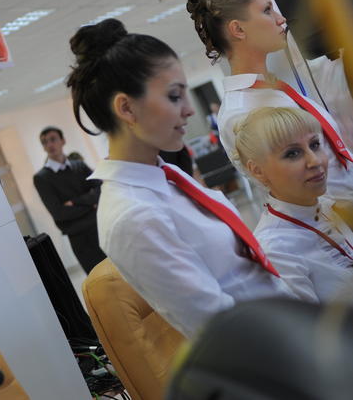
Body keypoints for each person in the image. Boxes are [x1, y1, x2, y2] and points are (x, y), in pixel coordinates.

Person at [67, 18, 292, 338]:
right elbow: (220, 329)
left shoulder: (166, 176)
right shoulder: (133, 217)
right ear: (127, 109)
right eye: (174, 96)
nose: (189, 110)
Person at [185, 0, 353, 204]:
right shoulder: (242, 113)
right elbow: (295, 191)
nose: (281, 19)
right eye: (267, 11)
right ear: (238, 29)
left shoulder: (273, 89)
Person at [233, 107, 353, 303]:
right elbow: (309, 322)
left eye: (315, 145)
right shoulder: (277, 250)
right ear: (258, 171)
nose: (315, 161)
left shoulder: (330, 207)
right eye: (293, 153)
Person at [33, 127, 106, 274]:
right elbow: (59, 213)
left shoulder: (79, 165)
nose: (49, 144)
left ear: (63, 140)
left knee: (123, 274)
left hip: (102, 227)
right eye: (45, 142)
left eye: (53, 139)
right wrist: (91, 204)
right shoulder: (41, 178)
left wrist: (75, 202)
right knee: (100, 279)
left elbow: (101, 189)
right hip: (81, 239)